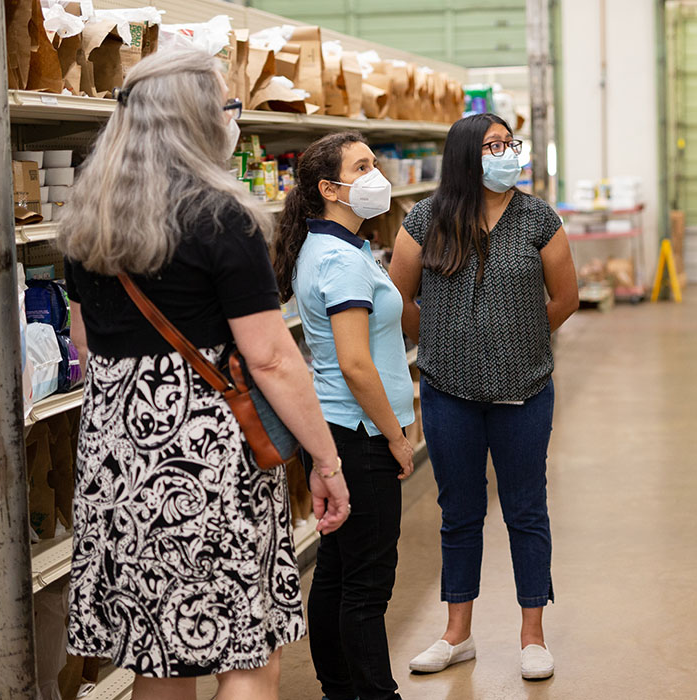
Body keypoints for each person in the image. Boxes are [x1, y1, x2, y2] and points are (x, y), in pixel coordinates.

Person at [58, 49, 350, 700]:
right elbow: (272, 358)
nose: (234, 118)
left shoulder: (87, 218)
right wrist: (325, 462)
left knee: (160, 662)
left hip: (118, 453)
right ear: (197, 118)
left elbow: (83, 338)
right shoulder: (223, 216)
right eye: (228, 104)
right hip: (205, 462)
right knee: (247, 660)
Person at [389, 113, 579, 681]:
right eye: (493, 146)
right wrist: (442, 339)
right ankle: (457, 633)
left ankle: (532, 635)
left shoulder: (537, 218)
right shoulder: (426, 219)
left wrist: (518, 339)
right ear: (465, 157)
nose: (506, 154)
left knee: (526, 510)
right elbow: (397, 295)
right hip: (449, 392)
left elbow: (565, 297)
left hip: (524, 390)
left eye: (509, 144)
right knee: (459, 513)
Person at [272, 131, 417, 700]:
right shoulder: (340, 259)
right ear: (330, 189)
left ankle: (338, 688)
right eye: (363, 167)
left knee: (337, 567)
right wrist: (397, 437)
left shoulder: (331, 248)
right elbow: (357, 365)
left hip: (337, 429)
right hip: (359, 434)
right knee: (368, 584)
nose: (377, 175)